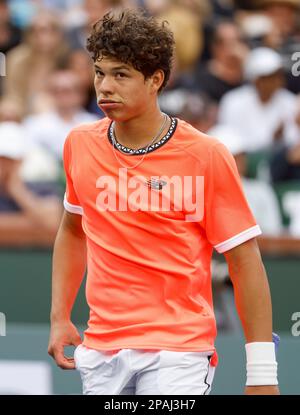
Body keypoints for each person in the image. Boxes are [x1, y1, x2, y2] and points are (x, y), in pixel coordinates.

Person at [48, 9, 279, 395]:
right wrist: (59, 317)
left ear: (155, 80)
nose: (104, 86)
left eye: (120, 74)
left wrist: (262, 373)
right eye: (100, 72)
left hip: (179, 354)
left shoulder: (206, 154)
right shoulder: (79, 144)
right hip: (101, 349)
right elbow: (73, 230)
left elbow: (244, 261)